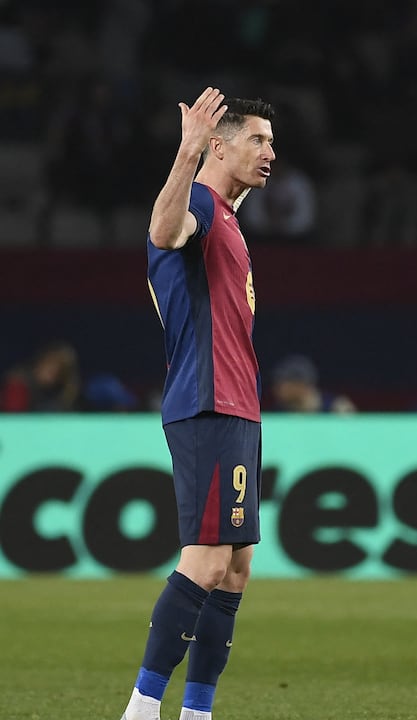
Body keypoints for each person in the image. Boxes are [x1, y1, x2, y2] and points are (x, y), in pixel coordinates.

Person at [120, 88, 275, 720]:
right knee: (207, 561)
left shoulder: (228, 217)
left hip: (238, 407)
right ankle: (141, 708)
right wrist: (185, 156)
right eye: (257, 139)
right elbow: (163, 230)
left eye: (271, 141)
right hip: (209, 400)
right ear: (218, 145)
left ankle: (197, 712)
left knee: (235, 567)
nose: (270, 152)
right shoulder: (202, 206)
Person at [269, 353, 357, 413]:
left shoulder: (337, 408)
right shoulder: (279, 411)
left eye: (282, 384)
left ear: (301, 385)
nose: (277, 388)